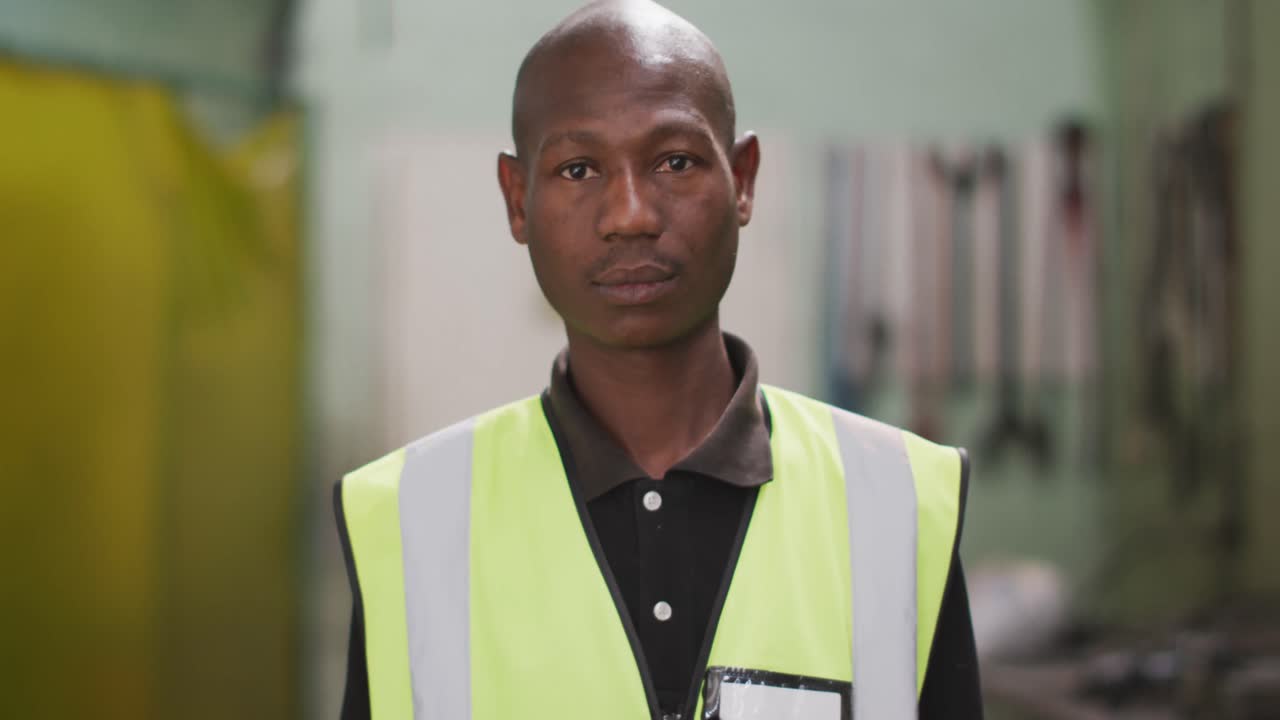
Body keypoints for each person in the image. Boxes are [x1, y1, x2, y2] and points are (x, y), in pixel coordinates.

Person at [334, 1, 982, 718]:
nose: (631, 214)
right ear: (517, 201)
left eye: (674, 161)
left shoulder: (900, 500)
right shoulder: (408, 517)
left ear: (744, 180)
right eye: (579, 169)